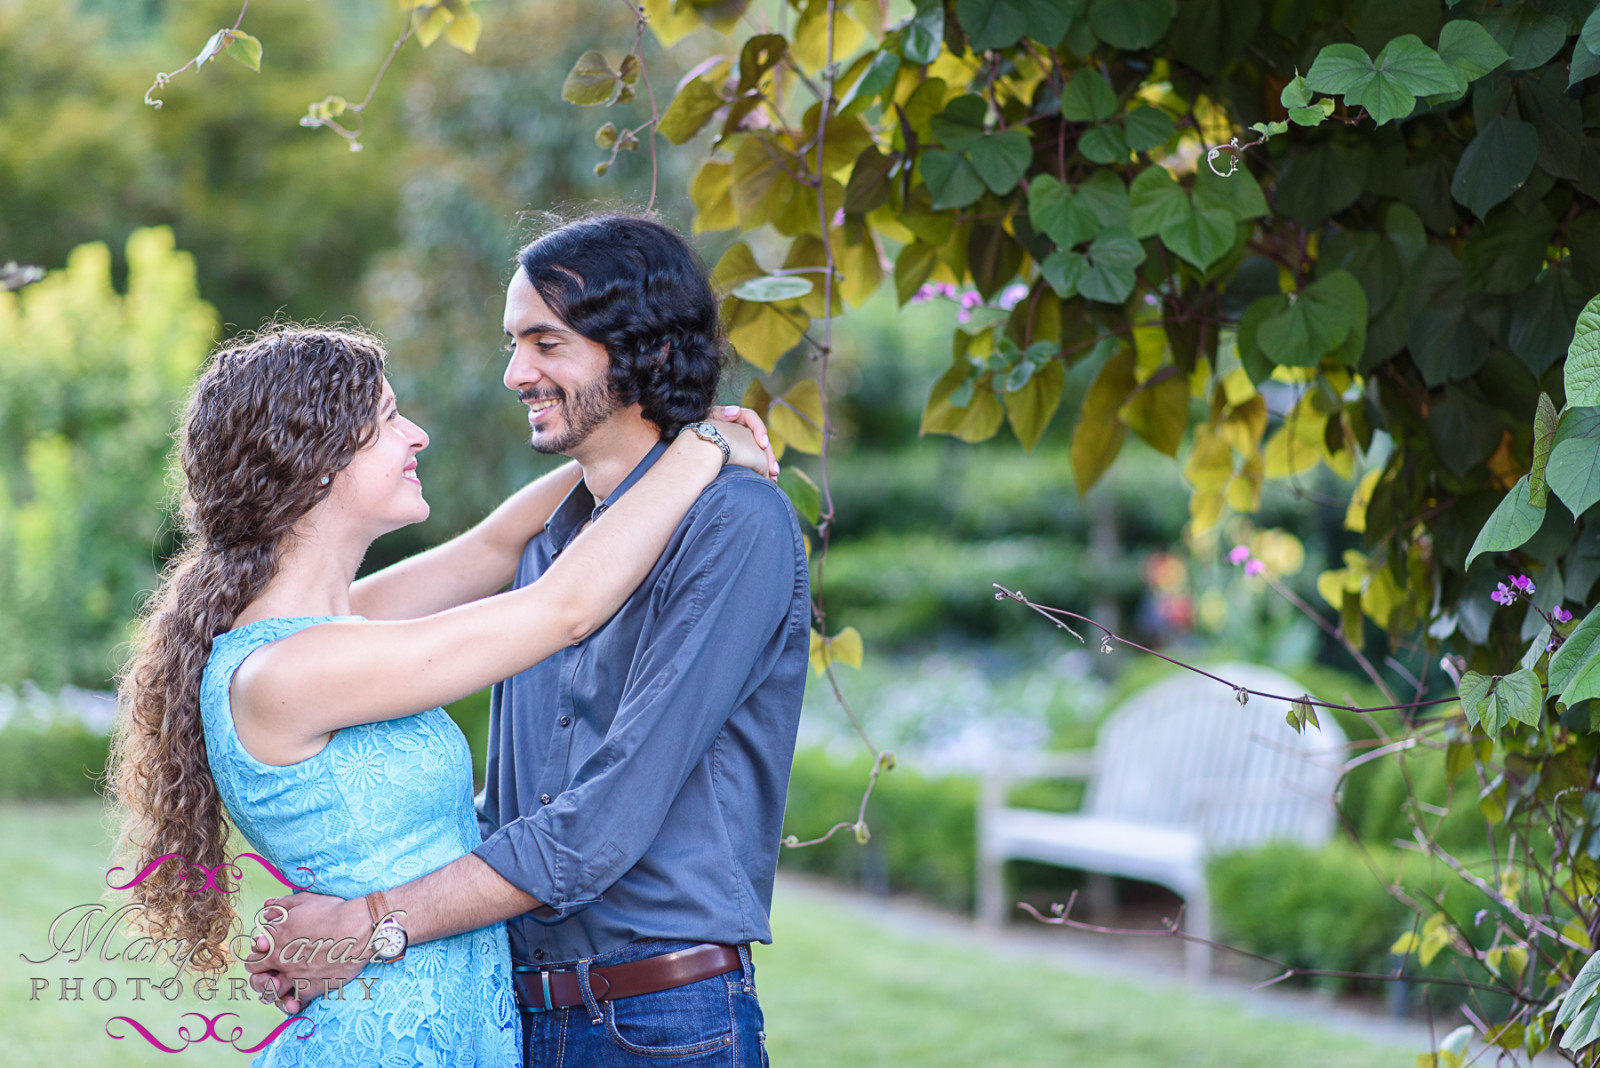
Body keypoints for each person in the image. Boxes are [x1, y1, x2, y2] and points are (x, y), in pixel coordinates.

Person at [109, 322, 779, 1067]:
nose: (416, 435)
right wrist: (705, 453)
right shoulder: (290, 671)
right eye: (390, 418)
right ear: (319, 462)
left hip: (454, 1024)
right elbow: (561, 610)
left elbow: (494, 547)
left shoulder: (337, 624)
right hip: (385, 1040)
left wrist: (640, 447)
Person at [245, 214, 812, 1067]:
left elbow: (599, 824)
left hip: (658, 1023)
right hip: (515, 1014)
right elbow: (509, 804)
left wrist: (368, 924)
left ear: (646, 351)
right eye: (514, 343)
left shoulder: (736, 523)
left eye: (547, 344)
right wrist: (335, 925)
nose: (516, 373)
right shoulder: (552, 543)